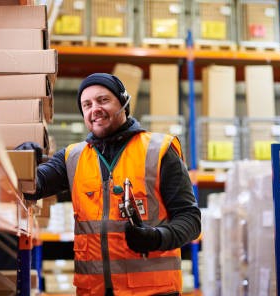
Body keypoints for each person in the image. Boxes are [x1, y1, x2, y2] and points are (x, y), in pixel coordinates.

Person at [17, 73, 201, 296]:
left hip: (151, 291)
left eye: (103, 100)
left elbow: (190, 219)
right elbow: (34, 185)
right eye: (87, 105)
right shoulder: (72, 157)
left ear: (124, 103)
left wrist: (157, 237)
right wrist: (24, 159)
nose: (94, 109)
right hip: (93, 291)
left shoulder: (158, 150)